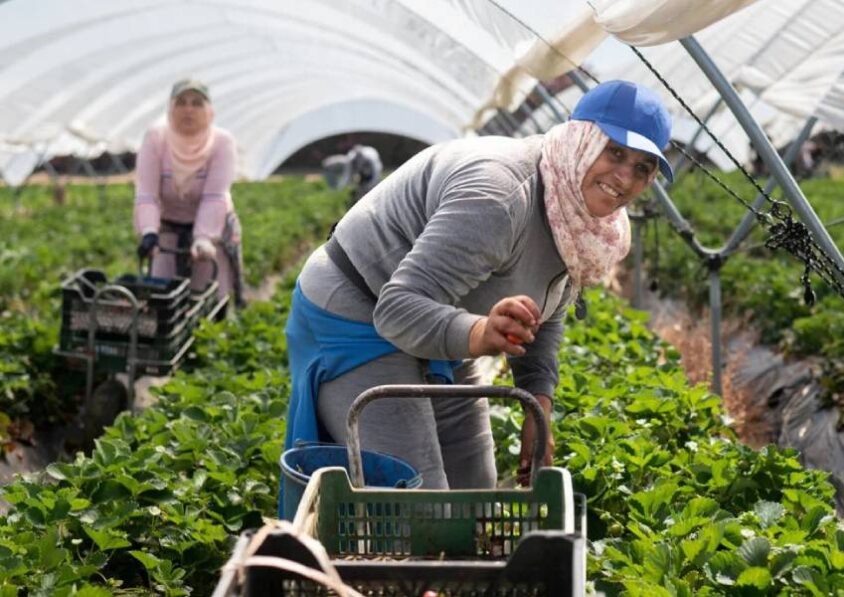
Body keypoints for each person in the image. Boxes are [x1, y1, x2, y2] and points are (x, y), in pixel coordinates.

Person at [284, 80, 673, 496]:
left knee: (476, 486)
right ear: (581, 139)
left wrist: (536, 407)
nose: (625, 176)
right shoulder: (500, 197)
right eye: (615, 152)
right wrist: (479, 333)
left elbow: (547, 314)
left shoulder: (588, 226)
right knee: (418, 500)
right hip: (358, 311)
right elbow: (397, 308)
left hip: (442, 316)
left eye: (642, 167)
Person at [133, 78, 245, 307]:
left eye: (196, 103)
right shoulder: (156, 139)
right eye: (181, 102)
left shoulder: (222, 142)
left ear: (209, 111)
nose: (188, 110)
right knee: (163, 297)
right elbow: (147, 193)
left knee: (207, 297)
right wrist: (149, 232)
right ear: (170, 109)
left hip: (212, 232)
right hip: (168, 228)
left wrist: (203, 237)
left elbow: (215, 195)